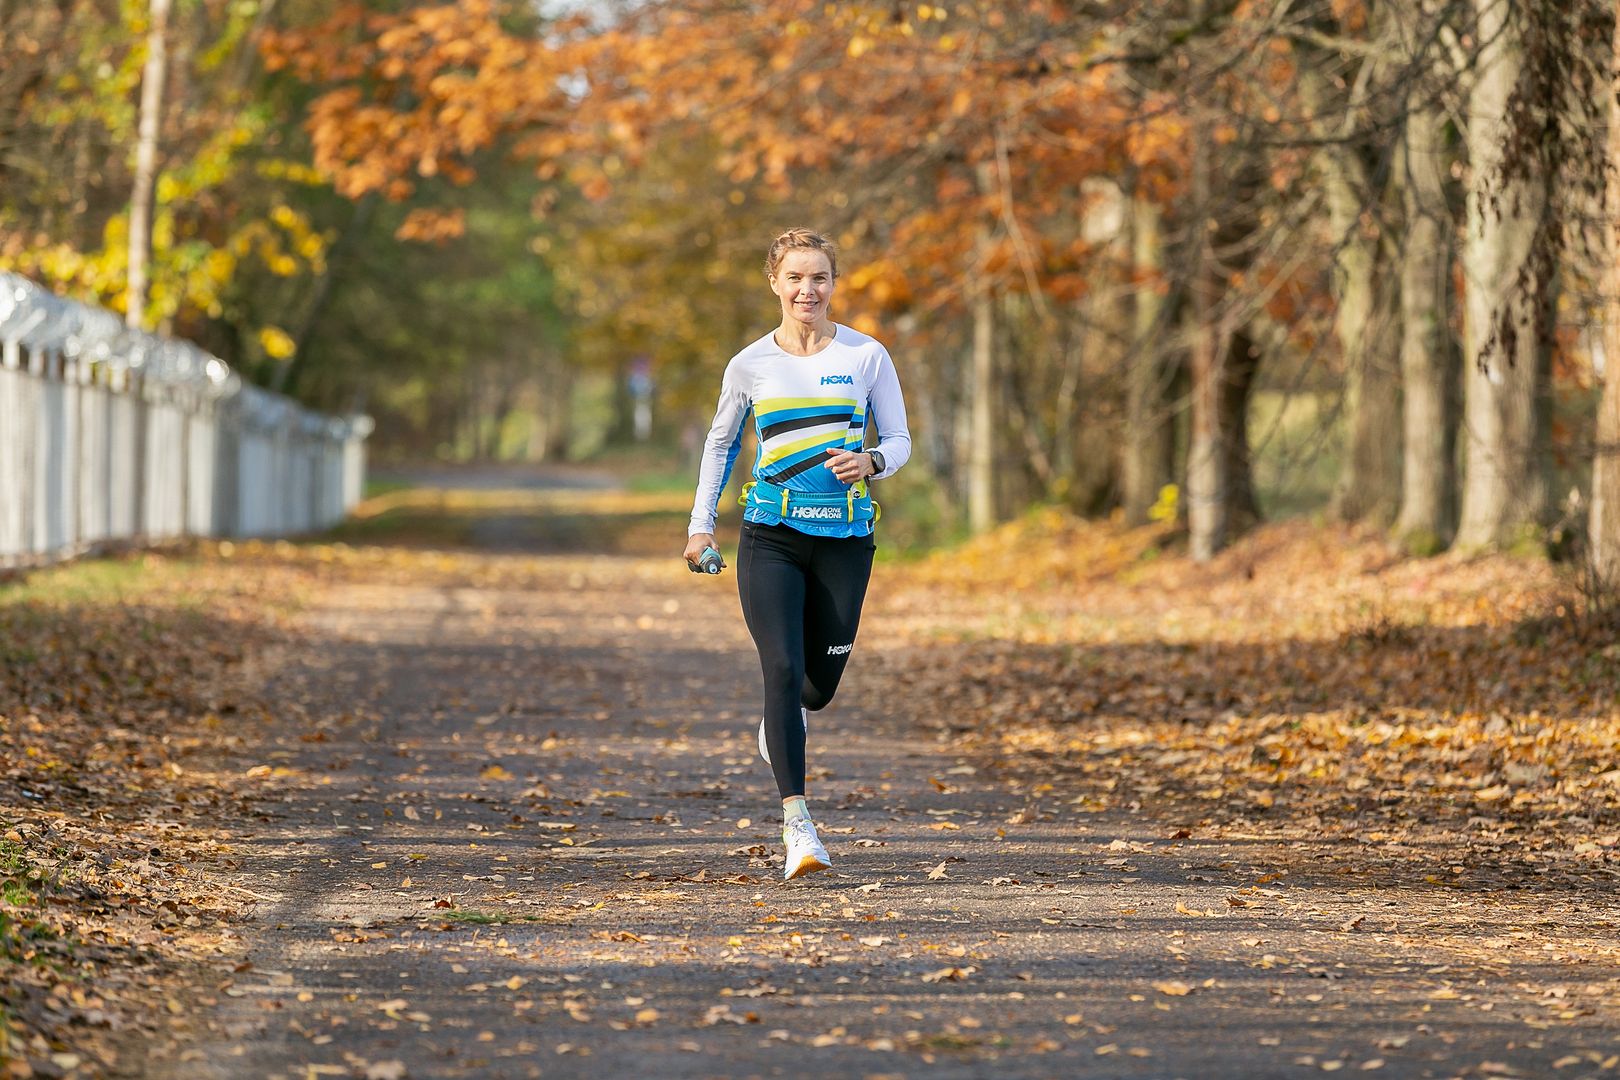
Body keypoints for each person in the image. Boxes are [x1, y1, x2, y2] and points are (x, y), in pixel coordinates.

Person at [684, 228, 911, 880]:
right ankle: (798, 826)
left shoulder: (867, 357)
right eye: (795, 278)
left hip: (844, 541)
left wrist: (871, 460)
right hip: (771, 537)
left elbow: (900, 441)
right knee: (780, 668)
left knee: (817, 686)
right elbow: (721, 447)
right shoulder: (750, 364)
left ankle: (780, 723)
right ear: (775, 284)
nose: (807, 289)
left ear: (833, 284)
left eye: (819, 278)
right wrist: (702, 528)